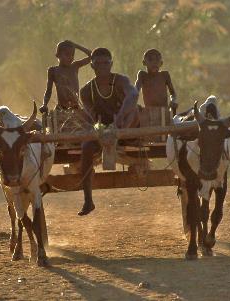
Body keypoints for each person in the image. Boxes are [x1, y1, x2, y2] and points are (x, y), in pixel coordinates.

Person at [78, 47, 139, 216]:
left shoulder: (121, 81)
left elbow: (133, 95)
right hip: (102, 131)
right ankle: (88, 200)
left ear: (111, 64)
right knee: (86, 148)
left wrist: (119, 119)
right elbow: (91, 115)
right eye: (98, 64)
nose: (103, 67)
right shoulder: (86, 91)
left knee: (133, 110)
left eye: (106, 63)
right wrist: (103, 130)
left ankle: (120, 133)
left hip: (127, 128)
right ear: (92, 66)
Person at [40, 40, 92, 113]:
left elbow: (92, 56)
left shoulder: (75, 66)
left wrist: (76, 45)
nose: (70, 57)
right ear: (58, 55)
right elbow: (48, 90)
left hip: (76, 109)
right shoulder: (53, 71)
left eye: (72, 55)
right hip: (61, 109)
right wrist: (44, 104)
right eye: (67, 54)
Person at [135, 49, 177, 127]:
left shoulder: (165, 75)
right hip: (149, 114)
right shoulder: (142, 75)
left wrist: (173, 100)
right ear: (144, 63)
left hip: (165, 112)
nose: (154, 63)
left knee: (170, 129)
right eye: (150, 60)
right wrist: (134, 103)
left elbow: (173, 93)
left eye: (157, 60)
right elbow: (135, 91)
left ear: (161, 63)